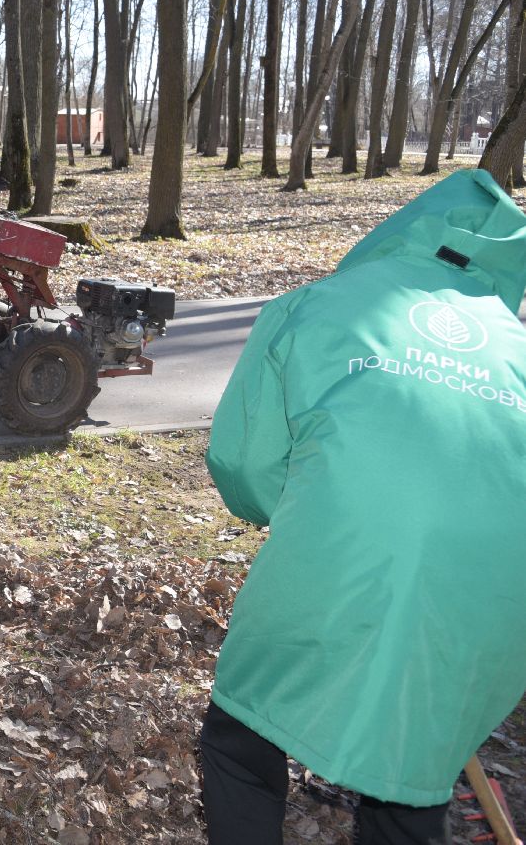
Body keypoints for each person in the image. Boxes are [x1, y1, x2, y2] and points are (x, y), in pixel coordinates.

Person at [200, 168, 526, 844]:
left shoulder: (318, 305)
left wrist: (286, 515)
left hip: (343, 552)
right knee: (411, 767)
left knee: (243, 732)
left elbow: (243, 466)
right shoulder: (515, 344)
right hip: (495, 602)